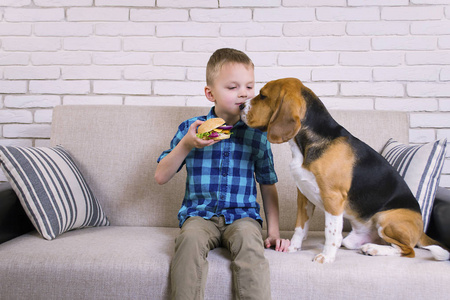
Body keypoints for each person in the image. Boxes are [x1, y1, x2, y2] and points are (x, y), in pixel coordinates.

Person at [155, 48, 290, 300]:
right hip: (200, 216)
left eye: (249, 86)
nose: (243, 93)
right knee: (188, 243)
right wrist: (186, 144)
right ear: (210, 93)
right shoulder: (191, 129)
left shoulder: (257, 134)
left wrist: (274, 232)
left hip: (242, 217)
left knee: (251, 245)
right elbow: (161, 176)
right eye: (232, 87)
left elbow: (268, 184)